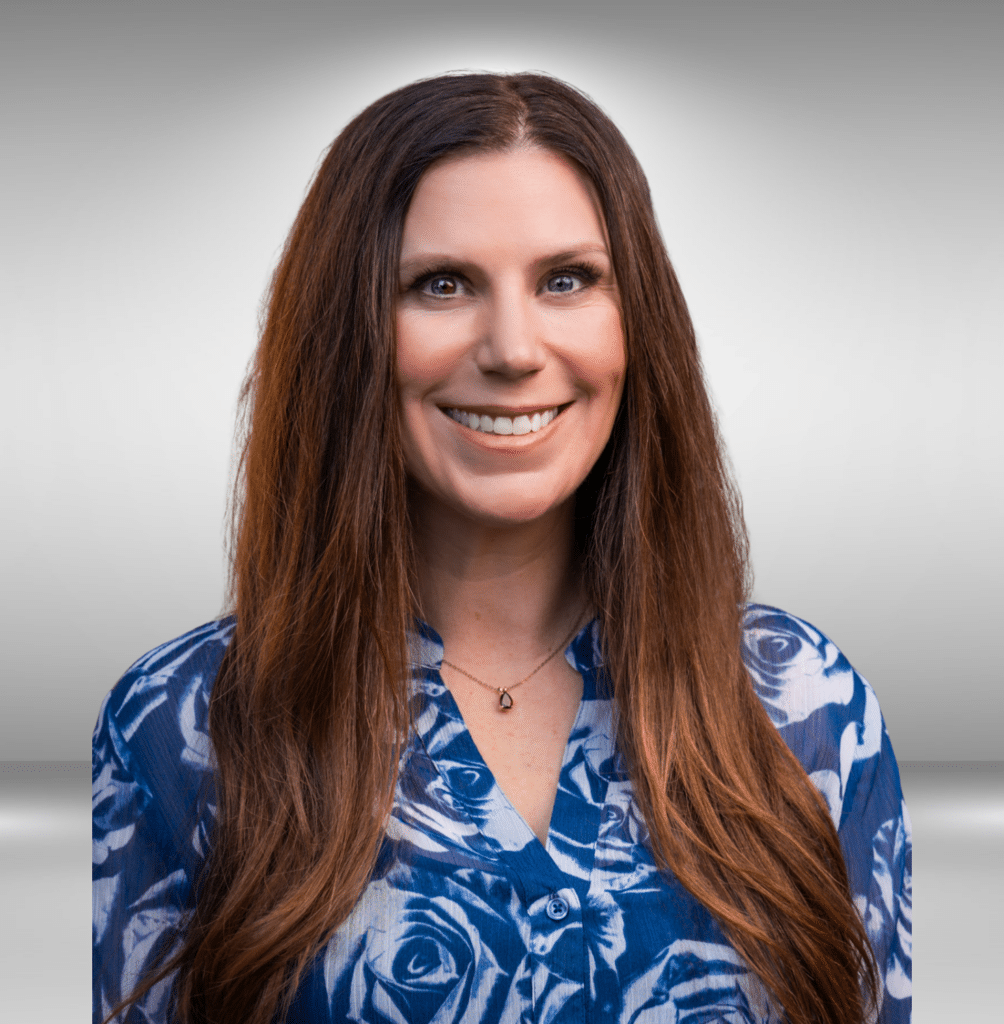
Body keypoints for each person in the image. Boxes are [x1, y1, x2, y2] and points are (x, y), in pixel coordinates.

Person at [92, 72, 912, 1024]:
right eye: (441, 285)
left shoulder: (806, 707)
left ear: (635, 322)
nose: (514, 348)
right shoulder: (181, 725)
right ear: (346, 333)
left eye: (567, 280)